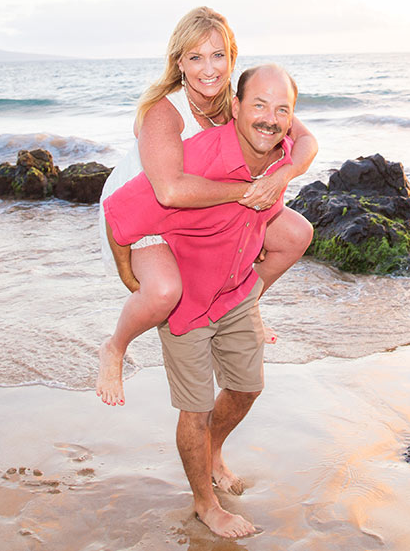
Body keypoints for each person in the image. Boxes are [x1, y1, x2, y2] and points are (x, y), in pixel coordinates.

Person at [102, 64, 302, 539]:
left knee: (247, 387)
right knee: (194, 409)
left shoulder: (281, 155)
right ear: (235, 108)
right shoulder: (197, 159)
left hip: (232, 291)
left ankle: (211, 452)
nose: (270, 119)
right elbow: (121, 211)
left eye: (281, 110)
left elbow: (302, 149)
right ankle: (204, 504)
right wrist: (128, 271)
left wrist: (289, 169)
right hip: (187, 299)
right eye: (258, 105)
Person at [95, 7, 317, 406]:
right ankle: (114, 346)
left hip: (210, 206)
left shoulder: (242, 102)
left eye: (218, 55)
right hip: (144, 214)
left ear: (232, 58)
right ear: (179, 62)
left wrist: (279, 179)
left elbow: (305, 141)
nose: (208, 68)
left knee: (296, 234)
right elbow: (169, 191)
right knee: (164, 290)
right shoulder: (164, 111)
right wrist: (247, 192)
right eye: (195, 57)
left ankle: (245, 301)